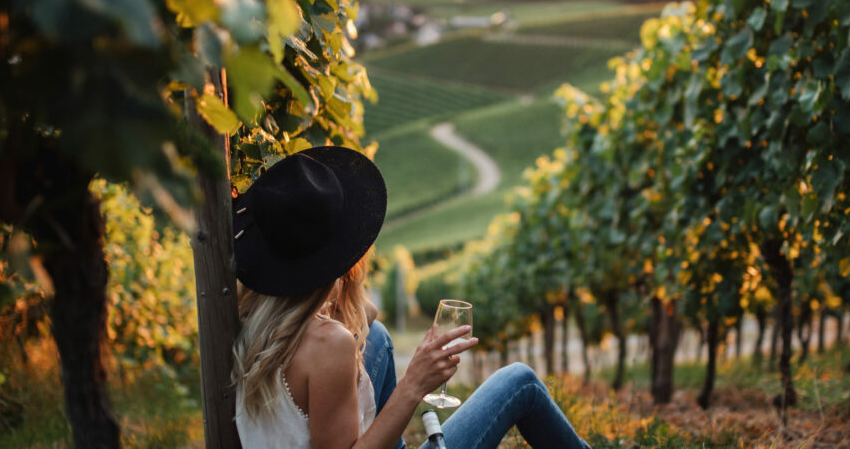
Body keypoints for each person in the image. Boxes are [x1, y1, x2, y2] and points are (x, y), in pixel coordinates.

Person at [230, 146, 588, 449]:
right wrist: (415, 382)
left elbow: (363, 315)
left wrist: (340, 278)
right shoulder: (329, 345)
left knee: (379, 335)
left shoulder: (254, 313)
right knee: (519, 381)